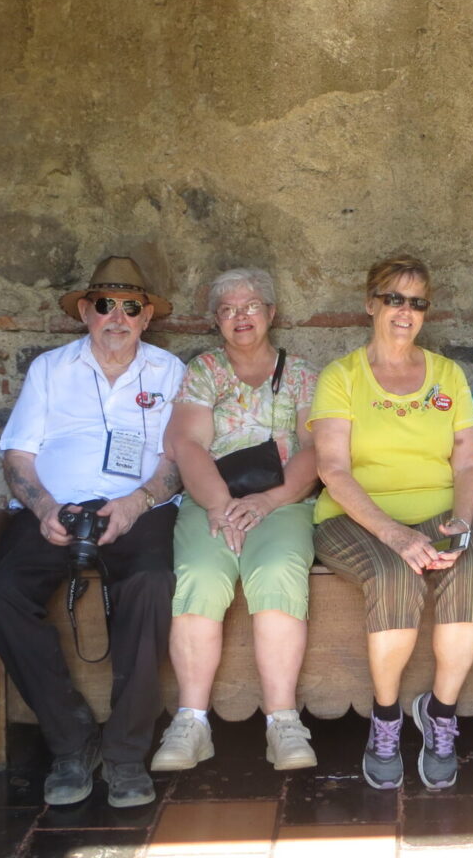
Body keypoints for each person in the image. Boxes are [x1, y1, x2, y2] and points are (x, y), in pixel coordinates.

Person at [0, 256, 186, 808]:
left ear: (145, 318)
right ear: (86, 312)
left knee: (152, 583)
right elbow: (18, 455)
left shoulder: (169, 372)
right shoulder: (51, 368)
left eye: (131, 307)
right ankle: (71, 741)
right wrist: (44, 507)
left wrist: (136, 503)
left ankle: (124, 752)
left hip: (139, 508)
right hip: (56, 508)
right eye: (105, 305)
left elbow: (178, 459)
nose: (117, 316)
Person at [308, 255, 473, 791]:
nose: (404, 311)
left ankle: (440, 714)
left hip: (440, 510)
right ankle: (386, 720)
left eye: (417, 302)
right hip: (357, 516)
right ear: (371, 304)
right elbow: (332, 469)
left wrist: (461, 522)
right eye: (393, 298)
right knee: (393, 574)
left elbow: (469, 462)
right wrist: (393, 533)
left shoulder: (447, 374)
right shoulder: (341, 376)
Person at [150, 269, 321, 774]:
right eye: (228, 309)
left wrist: (270, 501)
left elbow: (317, 450)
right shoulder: (204, 370)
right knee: (200, 576)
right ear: (217, 321)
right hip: (211, 500)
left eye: (250, 307)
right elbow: (187, 444)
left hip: (283, 501)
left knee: (277, 571)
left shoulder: (303, 374)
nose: (240, 317)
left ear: (271, 314)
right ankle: (191, 722)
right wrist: (221, 504)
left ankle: (283, 723)